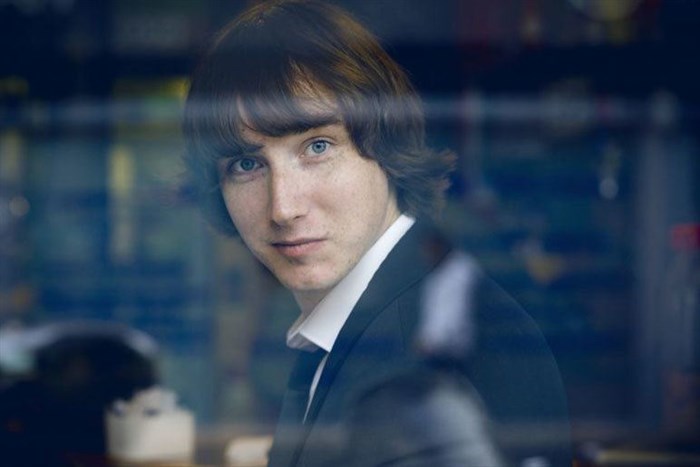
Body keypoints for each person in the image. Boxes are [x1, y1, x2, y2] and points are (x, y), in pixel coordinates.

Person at [183, 1, 571, 465]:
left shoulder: (449, 346)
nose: (282, 207)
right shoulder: (359, 324)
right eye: (247, 164)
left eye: (317, 147)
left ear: (386, 144)